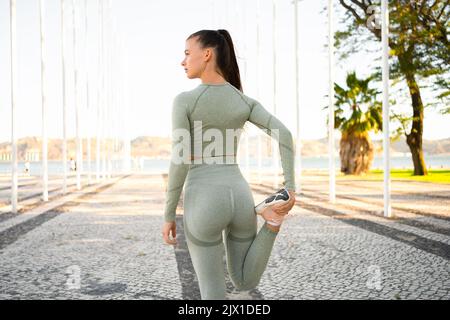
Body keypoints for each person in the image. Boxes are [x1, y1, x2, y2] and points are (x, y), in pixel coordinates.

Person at [161, 29, 296, 300]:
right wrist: (290, 187)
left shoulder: (185, 101)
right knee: (244, 279)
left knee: (212, 294)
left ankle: (270, 221)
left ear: (207, 54)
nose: (183, 61)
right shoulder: (243, 101)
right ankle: (272, 221)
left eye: (187, 53)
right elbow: (285, 134)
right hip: (239, 196)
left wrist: (168, 214)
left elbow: (179, 160)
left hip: (203, 199)